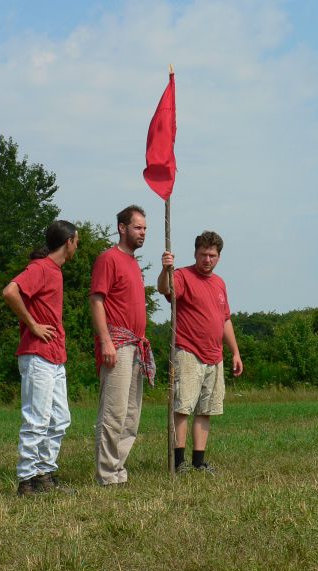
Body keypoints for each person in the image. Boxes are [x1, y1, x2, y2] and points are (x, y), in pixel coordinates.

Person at [2, 220, 79, 496]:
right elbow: (10, 291)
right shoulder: (41, 268)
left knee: (60, 418)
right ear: (68, 241)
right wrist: (33, 325)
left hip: (55, 356)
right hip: (37, 355)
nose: (77, 246)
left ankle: (45, 473)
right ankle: (26, 481)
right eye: (76, 241)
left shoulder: (55, 271)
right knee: (37, 418)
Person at [157, 230, 243, 473]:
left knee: (207, 410)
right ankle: (178, 462)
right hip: (188, 352)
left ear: (219, 257)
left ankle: (198, 462)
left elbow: (225, 320)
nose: (207, 260)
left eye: (212, 255)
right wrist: (166, 269)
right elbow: (165, 289)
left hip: (215, 356)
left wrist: (235, 352)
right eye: (203, 254)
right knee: (183, 407)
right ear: (195, 253)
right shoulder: (182, 275)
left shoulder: (219, 283)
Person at [90, 205, 155, 486]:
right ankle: (106, 474)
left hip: (136, 346)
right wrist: (106, 341)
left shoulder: (133, 263)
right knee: (113, 412)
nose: (143, 233)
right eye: (138, 227)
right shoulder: (108, 259)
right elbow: (96, 300)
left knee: (130, 415)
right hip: (117, 343)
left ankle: (118, 470)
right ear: (122, 228)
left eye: (145, 229)